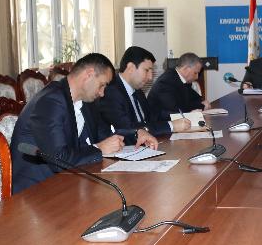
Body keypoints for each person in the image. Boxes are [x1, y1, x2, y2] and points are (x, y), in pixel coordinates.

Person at [10, 53, 157, 193]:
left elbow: (105, 136)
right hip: (37, 190)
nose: (102, 93)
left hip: (68, 182)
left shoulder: (87, 102)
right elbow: (58, 158)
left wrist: (136, 132)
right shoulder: (51, 100)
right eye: (102, 85)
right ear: (89, 74)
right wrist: (99, 148)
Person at [98, 46, 192, 135]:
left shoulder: (137, 90)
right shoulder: (111, 92)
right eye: (147, 70)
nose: (150, 77)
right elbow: (128, 128)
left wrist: (181, 116)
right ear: (130, 68)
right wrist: (171, 126)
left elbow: (152, 116)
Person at [148, 52, 211, 121]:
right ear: (186, 68)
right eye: (195, 73)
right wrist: (202, 106)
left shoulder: (183, 80)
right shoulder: (166, 82)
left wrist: (202, 104)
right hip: (160, 125)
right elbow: (176, 110)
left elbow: (196, 99)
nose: (197, 77)